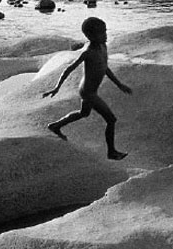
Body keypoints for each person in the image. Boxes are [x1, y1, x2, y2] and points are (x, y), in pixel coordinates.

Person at [42, 17, 133, 160]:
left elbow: (104, 67)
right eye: (101, 33)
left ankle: (55, 126)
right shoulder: (88, 52)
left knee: (83, 113)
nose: (105, 35)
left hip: (92, 90)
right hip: (88, 92)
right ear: (90, 36)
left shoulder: (103, 47)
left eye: (105, 31)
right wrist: (56, 88)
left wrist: (119, 84)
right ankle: (111, 152)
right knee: (111, 119)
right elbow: (69, 69)